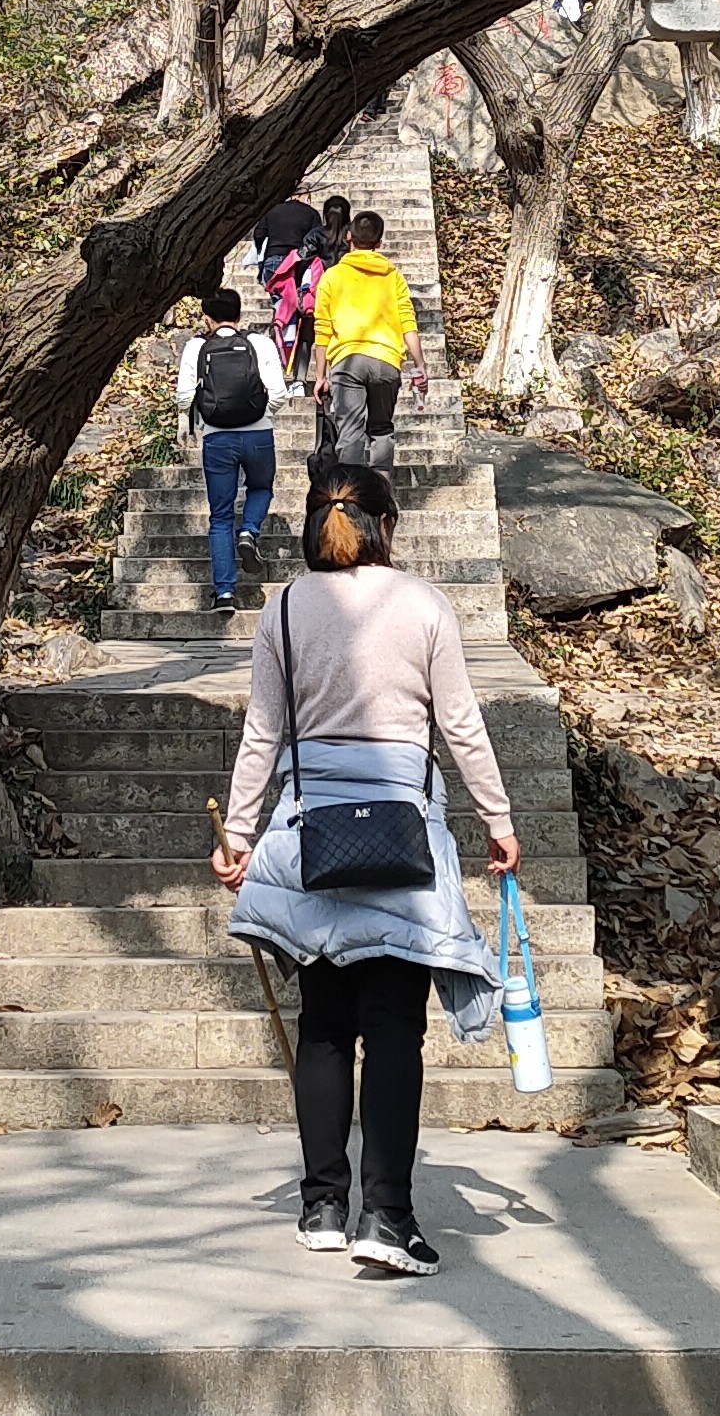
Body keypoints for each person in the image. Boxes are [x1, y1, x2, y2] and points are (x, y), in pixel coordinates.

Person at [212, 465, 518, 1275]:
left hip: (311, 832)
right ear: (387, 526)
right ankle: (387, 1216)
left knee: (322, 1025)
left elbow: (262, 735)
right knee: (392, 1031)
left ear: (314, 524)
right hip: (401, 836)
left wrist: (239, 833)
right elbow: (459, 722)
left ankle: (321, 1204)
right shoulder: (422, 606)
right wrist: (499, 818)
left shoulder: (282, 609)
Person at [175, 286, 289, 613]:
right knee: (261, 487)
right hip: (258, 435)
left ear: (207, 318)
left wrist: (189, 422)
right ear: (240, 315)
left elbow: (185, 395)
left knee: (220, 516)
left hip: (217, 438)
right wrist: (263, 416)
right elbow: (278, 392)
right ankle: (250, 532)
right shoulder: (259, 342)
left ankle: (224, 593)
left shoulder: (197, 346)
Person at [309, 209, 418, 472]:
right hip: (386, 359)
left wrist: (321, 375)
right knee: (381, 429)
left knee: (350, 431)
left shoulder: (332, 276)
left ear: (349, 237)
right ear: (379, 242)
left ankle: (352, 497)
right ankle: (381, 492)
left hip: (347, 361)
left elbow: (322, 329)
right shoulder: (393, 276)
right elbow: (407, 321)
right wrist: (420, 363)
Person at [251, 188, 328, 372]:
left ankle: (280, 328)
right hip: (296, 262)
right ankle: (286, 342)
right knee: (296, 307)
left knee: (281, 303)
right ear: (305, 197)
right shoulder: (310, 213)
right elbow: (315, 239)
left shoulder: (273, 210)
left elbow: (258, 234)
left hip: (273, 261)